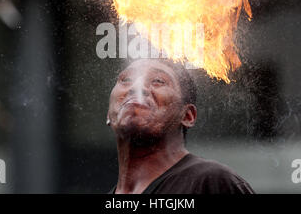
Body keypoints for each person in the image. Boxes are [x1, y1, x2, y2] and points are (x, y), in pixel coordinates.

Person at [106, 58, 255, 194]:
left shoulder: (212, 183)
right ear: (108, 116)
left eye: (158, 80)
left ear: (187, 116)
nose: (136, 88)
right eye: (126, 79)